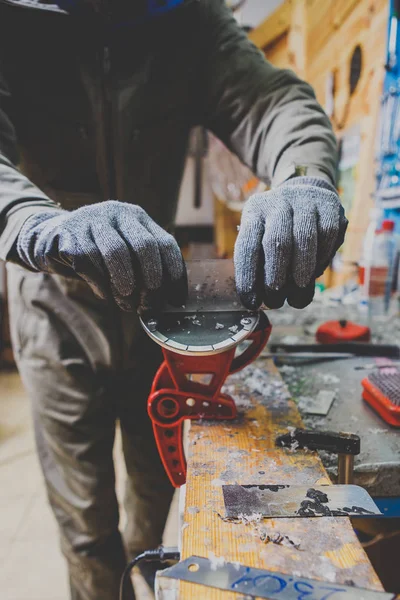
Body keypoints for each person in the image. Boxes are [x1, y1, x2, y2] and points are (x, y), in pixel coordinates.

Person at [0, 1, 347, 598]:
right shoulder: (9, 23)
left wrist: (303, 176)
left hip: (161, 308)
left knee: (152, 508)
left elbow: (273, 103)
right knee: (86, 532)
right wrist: (33, 220)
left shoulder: (185, 18)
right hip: (52, 308)